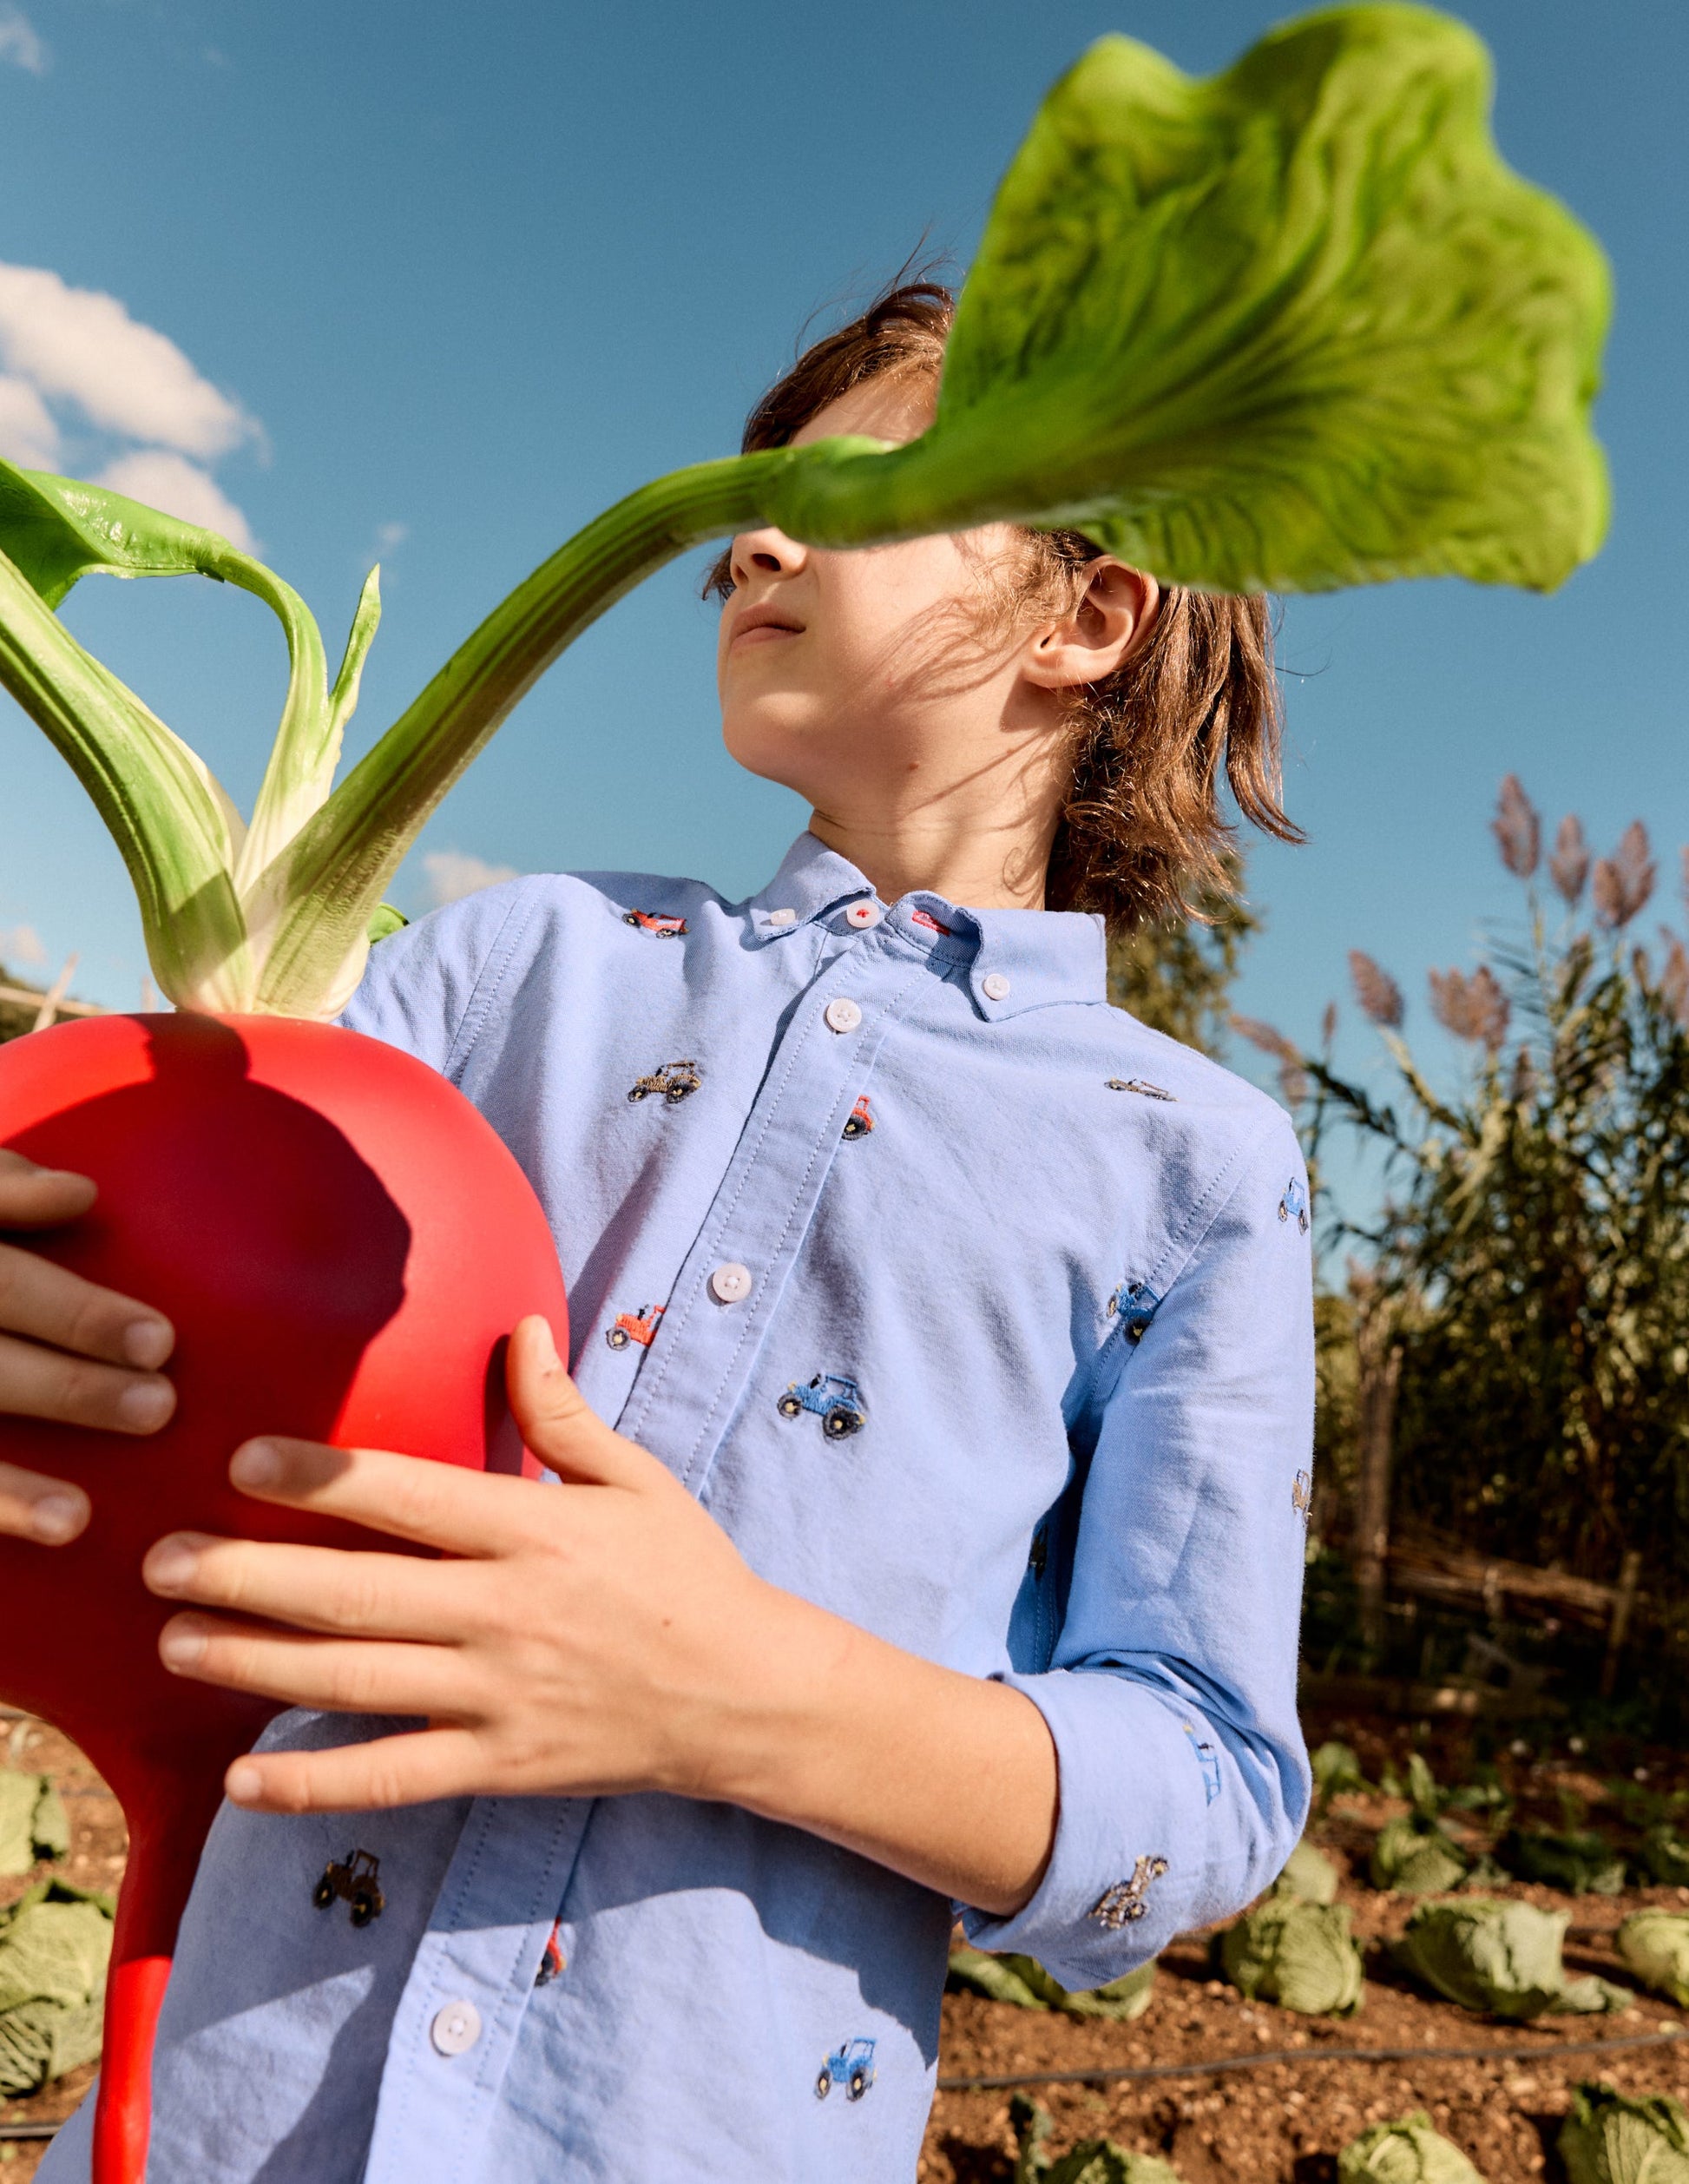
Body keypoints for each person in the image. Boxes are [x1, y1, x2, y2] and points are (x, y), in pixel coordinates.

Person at [0, 284, 1314, 2182]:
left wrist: (738, 1692)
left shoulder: (1192, 1158)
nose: (753, 538)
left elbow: (1199, 1775)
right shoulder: (501, 966)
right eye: (742, 504)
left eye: (862, 490)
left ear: (1085, 612)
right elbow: (181, 1254)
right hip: (227, 2112)